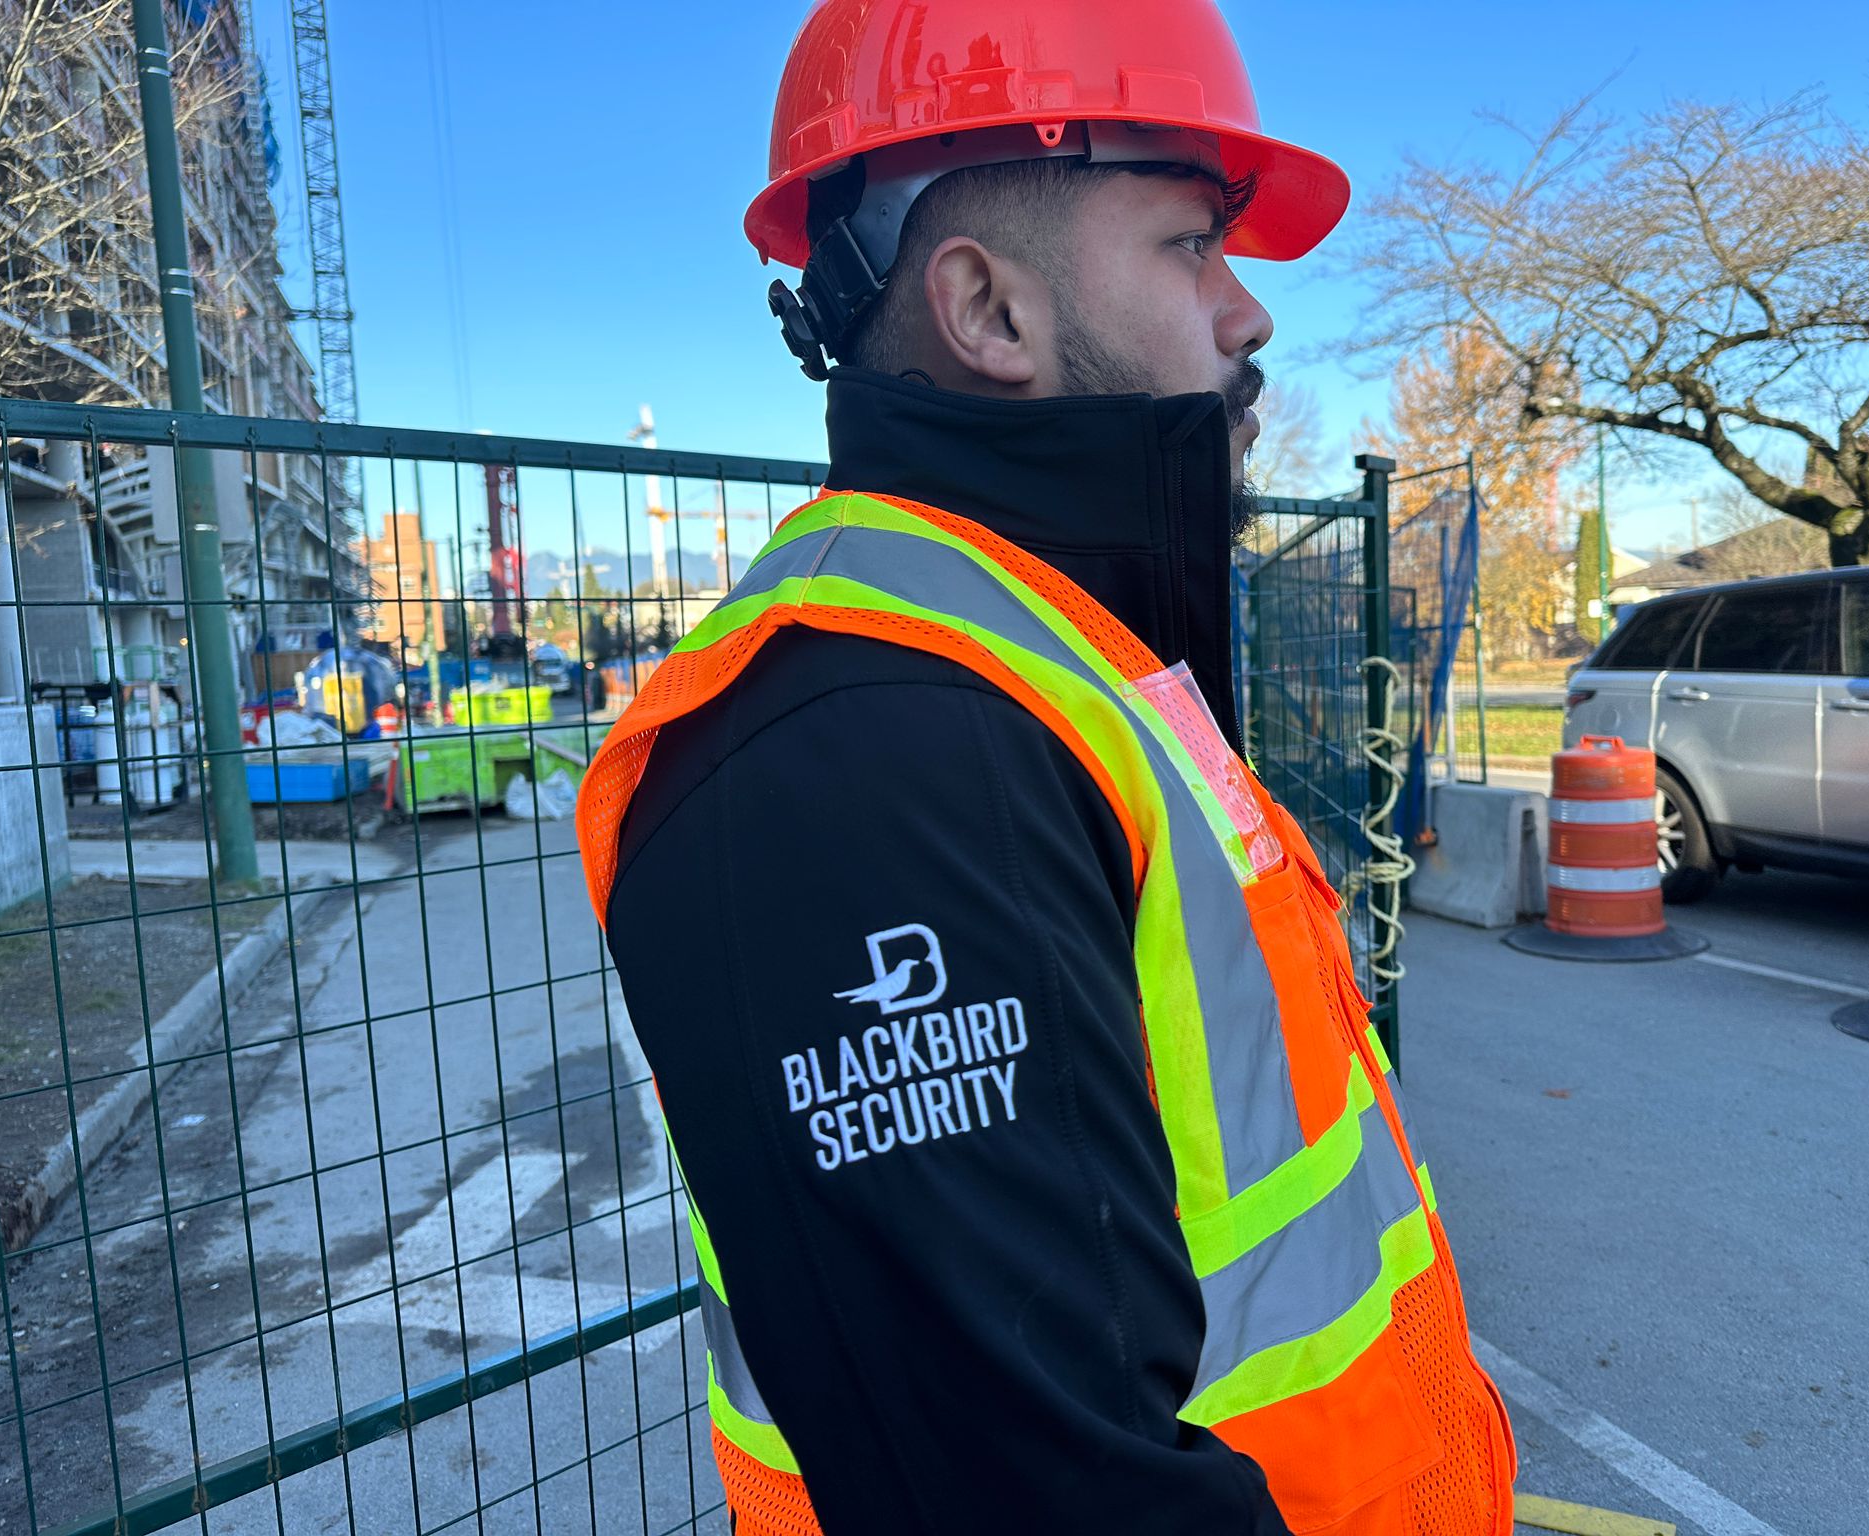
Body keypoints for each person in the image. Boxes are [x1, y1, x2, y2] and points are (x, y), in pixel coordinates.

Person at [576, 3, 1517, 1532]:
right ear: (986, 310)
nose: (1248, 312)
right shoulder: (862, 745)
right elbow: (1036, 1492)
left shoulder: (1060, 665)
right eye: (1188, 245)